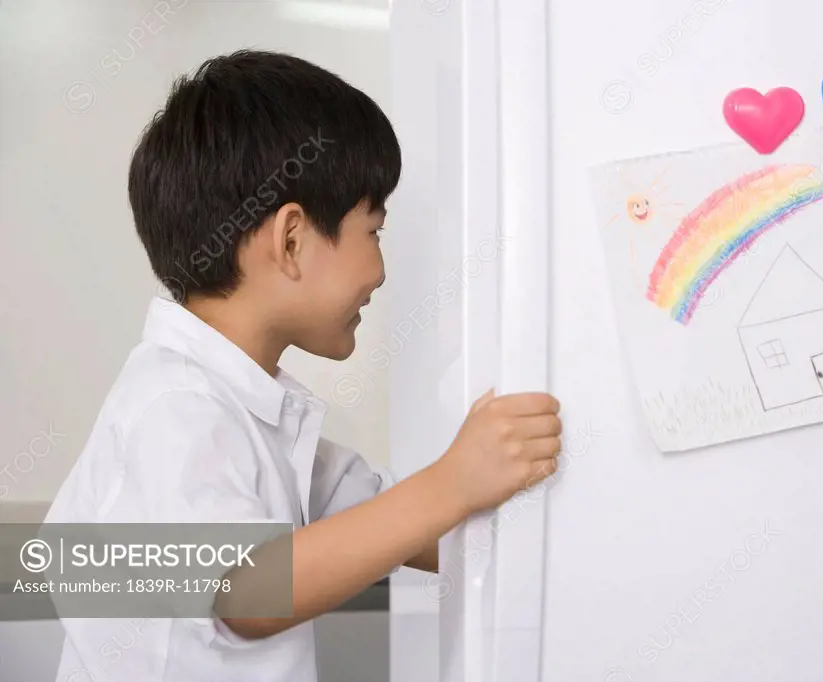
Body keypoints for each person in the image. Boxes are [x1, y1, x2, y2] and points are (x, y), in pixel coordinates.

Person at [43, 50, 562, 682]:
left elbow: (399, 525)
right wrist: (451, 484)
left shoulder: (265, 420)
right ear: (291, 241)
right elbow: (244, 590)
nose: (381, 270)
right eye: (373, 231)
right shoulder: (174, 405)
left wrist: (502, 488)